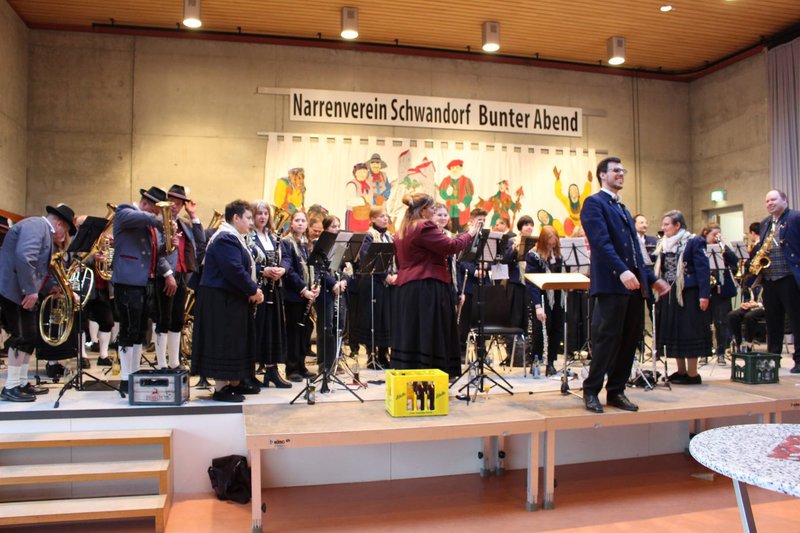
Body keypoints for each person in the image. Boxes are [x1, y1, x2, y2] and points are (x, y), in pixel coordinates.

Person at [579, 157, 669, 414]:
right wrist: (622, 271)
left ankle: (616, 390)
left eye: (622, 170)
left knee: (630, 340)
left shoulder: (623, 208)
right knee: (606, 340)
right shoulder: (594, 203)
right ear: (602, 175)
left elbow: (636, 252)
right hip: (611, 284)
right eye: (615, 170)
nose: (621, 174)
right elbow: (601, 244)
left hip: (633, 287)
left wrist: (652, 279)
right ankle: (591, 390)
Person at [391, 193, 478, 378]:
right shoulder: (424, 226)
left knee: (412, 332)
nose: (433, 212)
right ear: (423, 210)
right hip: (427, 286)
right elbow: (451, 246)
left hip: (406, 287)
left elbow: (399, 262)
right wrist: (470, 234)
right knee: (430, 331)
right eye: (431, 209)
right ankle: (431, 374)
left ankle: (411, 372)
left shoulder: (402, 230)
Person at [0, 204, 76, 402]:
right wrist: (31, 290)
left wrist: (48, 288)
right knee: (21, 336)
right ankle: (11, 386)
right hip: (15, 290)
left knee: (30, 336)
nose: (64, 236)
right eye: (66, 230)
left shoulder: (41, 229)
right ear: (59, 224)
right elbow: (25, 257)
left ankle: (21, 382)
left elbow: (38, 266)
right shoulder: (36, 226)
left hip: (20, 290)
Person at [191, 200, 263, 402]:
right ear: (236, 218)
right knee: (223, 342)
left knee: (234, 341)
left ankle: (235, 383)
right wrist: (253, 290)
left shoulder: (233, 237)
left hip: (229, 298)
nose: (251, 222)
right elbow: (234, 270)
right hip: (220, 300)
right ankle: (221, 388)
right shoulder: (225, 238)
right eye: (248, 218)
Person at [112, 187, 172, 389]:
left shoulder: (148, 224)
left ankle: (135, 372)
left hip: (146, 281)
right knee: (128, 329)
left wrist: (170, 244)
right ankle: (125, 377)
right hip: (128, 281)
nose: (157, 215)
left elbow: (153, 254)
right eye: (156, 210)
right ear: (145, 203)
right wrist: (159, 220)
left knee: (139, 330)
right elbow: (137, 217)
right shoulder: (124, 211)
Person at [653, 210, 711, 384]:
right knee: (675, 332)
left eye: (667, 224)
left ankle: (693, 374)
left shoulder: (693, 241)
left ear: (678, 225)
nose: (663, 228)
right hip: (670, 293)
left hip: (689, 293)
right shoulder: (663, 243)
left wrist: (704, 295)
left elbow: (703, 269)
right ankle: (681, 371)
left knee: (689, 332)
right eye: (663, 224)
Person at [153, 184, 206, 370]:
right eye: (172, 202)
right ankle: (161, 363)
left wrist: (193, 216)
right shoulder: (158, 222)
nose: (175, 206)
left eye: (178, 203)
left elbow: (201, 241)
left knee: (177, 319)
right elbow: (155, 251)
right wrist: (167, 273)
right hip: (165, 275)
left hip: (182, 274)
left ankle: (174, 362)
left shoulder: (184, 223)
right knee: (163, 319)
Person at [749, 189, 800, 373]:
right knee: (773, 322)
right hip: (769, 279)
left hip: (789, 277)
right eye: (767, 201)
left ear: (784, 200)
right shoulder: (765, 223)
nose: (769, 203)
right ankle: (772, 359)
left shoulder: (795, 218)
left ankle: (799, 360)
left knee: (796, 320)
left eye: (773, 200)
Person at [250, 201, 289, 388]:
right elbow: (247, 261)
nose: (263, 217)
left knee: (273, 329)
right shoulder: (248, 237)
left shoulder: (273, 236)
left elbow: (286, 257)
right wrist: (262, 270)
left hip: (275, 289)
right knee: (258, 329)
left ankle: (272, 372)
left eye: (266, 213)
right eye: (259, 213)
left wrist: (282, 269)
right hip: (259, 288)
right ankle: (249, 372)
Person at [280, 210, 319, 382]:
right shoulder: (286, 242)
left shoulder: (306, 243)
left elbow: (312, 267)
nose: (301, 223)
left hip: (307, 294)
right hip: (293, 294)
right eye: (297, 220)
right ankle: (292, 368)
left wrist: (315, 286)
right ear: (291, 223)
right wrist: (303, 289)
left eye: (303, 221)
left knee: (305, 331)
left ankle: (302, 366)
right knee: (293, 332)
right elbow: (289, 271)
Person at [356, 205, 396, 369]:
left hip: (388, 282)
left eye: (386, 216)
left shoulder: (390, 236)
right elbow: (367, 258)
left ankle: (383, 354)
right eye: (381, 216)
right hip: (373, 282)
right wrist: (384, 275)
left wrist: (395, 275)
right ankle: (372, 355)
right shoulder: (369, 236)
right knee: (374, 318)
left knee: (386, 319)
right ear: (372, 219)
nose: (385, 219)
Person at [525, 225, 564, 376]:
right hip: (541, 296)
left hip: (557, 296)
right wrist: (538, 307)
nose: (551, 247)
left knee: (556, 329)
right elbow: (531, 282)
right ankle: (535, 360)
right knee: (539, 331)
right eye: (548, 244)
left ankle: (551, 362)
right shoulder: (533, 255)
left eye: (553, 244)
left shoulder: (559, 255)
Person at [700, 223, 738, 363]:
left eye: (718, 235)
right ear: (705, 233)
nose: (716, 238)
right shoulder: (700, 247)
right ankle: (704, 352)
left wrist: (723, 245)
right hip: (705, 289)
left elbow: (734, 261)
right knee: (704, 322)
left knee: (721, 321)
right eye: (714, 235)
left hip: (721, 289)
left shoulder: (722, 248)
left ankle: (721, 352)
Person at [456, 207, 488, 359]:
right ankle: (462, 350)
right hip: (468, 282)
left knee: (481, 318)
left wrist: (486, 266)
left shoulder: (486, 238)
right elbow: (460, 261)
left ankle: (481, 352)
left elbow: (491, 257)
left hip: (483, 283)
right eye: (479, 220)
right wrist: (475, 271)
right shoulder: (463, 237)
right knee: (465, 319)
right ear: (472, 221)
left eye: (484, 220)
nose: (482, 222)